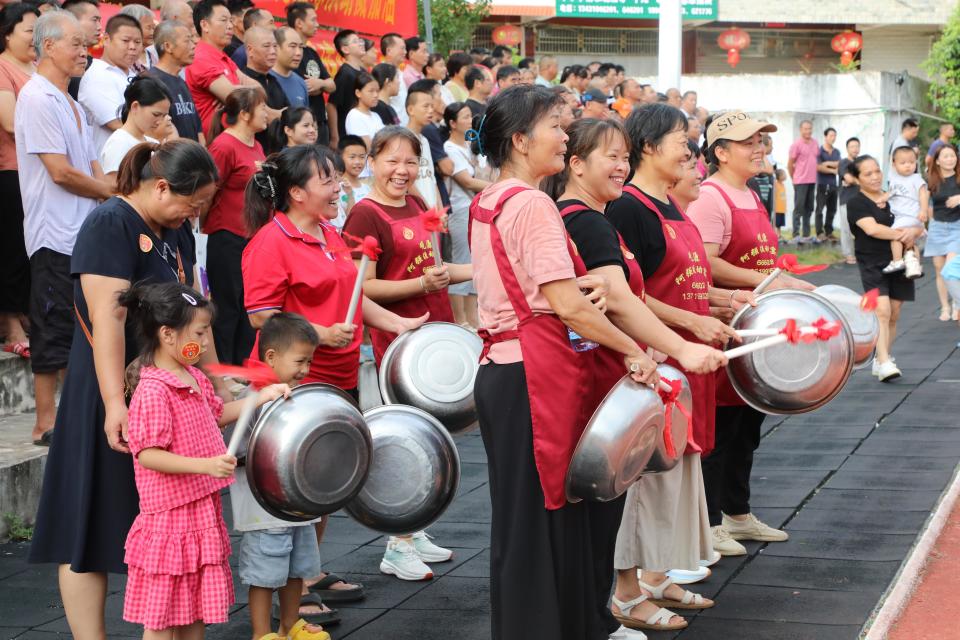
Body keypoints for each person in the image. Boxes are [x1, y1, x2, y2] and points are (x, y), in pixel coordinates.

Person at [469, 85, 657, 640]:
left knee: (525, 521)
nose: (565, 135)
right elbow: (567, 306)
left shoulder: (492, 197)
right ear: (521, 140)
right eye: (557, 125)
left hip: (507, 370)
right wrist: (633, 349)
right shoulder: (530, 203)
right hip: (534, 374)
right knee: (550, 517)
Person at [28, 139, 219, 638]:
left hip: (167, 391)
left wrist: (216, 379)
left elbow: (195, 318)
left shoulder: (175, 231)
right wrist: (116, 403)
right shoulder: (110, 223)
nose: (193, 215)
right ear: (160, 186)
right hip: (110, 391)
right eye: (190, 203)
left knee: (163, 524)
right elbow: (107, 321)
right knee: (87, 525)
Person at [549, 115, 729, 635]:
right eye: (611, 156)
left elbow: (625, 296)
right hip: (612, 371)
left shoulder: (600, 215)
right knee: (622, 488)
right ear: (575, 163)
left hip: (630, 363)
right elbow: (618, 301)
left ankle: (636, 588)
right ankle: (622, 598)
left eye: (623, 156)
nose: (621, 166)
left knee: (641, 484)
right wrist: (664, 346)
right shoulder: (587, 219)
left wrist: (697, 320)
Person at [241, 144, 436, 585]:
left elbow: (354, 297)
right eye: (326, 180)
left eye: (336, 178)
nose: (337, 187)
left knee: (323, 482)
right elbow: (261, 315)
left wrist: (400, 324)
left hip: (337, 377)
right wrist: (318, 333)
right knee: (291, 488)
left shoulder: (330, 233)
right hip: (292, 385)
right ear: (295, 192)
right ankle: (289, 590)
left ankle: (307, 575)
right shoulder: (270, 242)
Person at [118, 281, 288, 638]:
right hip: (171, 516)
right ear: (167, 334)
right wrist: (205, 466)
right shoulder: (153, 390)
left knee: (194, 608)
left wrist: (263, 396)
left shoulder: (193, 375)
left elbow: (218, 414)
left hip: (198, 508)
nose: (208, 341)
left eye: (208, 331)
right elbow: (147, 454)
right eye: (200, 332)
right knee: (163, 617)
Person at [687, 110, 814, 557]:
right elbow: (704, 262)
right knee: (719, 428)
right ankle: (709, 521)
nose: (760, 148)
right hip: (724, 322)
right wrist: (767, 282)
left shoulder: (752, 194)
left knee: (748, 424)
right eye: (749, 142)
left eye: (762, 140)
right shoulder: (709, 197)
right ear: (720, 152)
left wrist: (778, 280)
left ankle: (737, 513)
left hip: (756, 326)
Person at [16, 10, 113, 447]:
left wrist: (113, 190)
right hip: (53, 234)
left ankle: (75, 417)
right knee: (53, 328)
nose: (84, 52)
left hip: (83, 234)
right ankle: (44, 422)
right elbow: (60, 172)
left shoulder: (72, 103)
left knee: (82, 331)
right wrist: (106, 193)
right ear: (49, 46)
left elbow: (91, 169)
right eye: (76, 43)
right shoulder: (36, 97)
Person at [227, 312, 335, 640]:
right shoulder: (253, 397)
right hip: (264, 513)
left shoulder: (297, 395)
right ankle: (262, 634)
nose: (305, 369)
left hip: (298, 507)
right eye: (300, 361)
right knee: (264, 576)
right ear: (271, 357)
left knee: (296, 572)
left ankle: (291, 626)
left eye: (310, 361)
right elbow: (236, 448)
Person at [204, 87, 267, 365]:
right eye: (261, 107)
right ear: (243, 114)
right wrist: (205, 224)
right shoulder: (224, 146)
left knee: (248, 306)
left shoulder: (256, 144)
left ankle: (244, 364)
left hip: (252, 236)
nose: (267, 113)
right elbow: (208, 191)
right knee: (228, 306)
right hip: (227, 235)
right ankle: (225, 368)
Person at [846, 155, 922, 381]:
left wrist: (914, 232)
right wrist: (903, 234)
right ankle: (884, 361)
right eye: (868, 173)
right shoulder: (856, 202)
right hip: (871, 262)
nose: (875, 176)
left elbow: (916, 221)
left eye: (877, 171)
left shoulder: (895, 197)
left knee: (894, 313)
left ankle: (882, 359)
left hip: (901, 259)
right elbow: (872, 229)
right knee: (882, 310)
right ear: (857, 178)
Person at [0, 2, 38, 357]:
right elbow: (10, 122)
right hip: (11, 170)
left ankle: (25, 313)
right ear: (8, 33)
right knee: (13, 248)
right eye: (29, 30)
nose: (36, 38)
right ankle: (11, 321)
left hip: (38, 172)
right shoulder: (2, 67)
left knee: (31, 248)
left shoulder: (39, 68)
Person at [442, 102, 488, 327]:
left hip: (474, 210)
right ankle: (459, 320)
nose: (470, 121)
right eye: (465, 117)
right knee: (461, 262)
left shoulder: (471, 146)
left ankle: (472, 319)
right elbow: (466, 181)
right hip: (460, 211)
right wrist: (497, 186)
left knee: (474, 264)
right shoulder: (450, 148)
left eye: (471, 117)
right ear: (452, 123)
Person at [78, 13, 142, 154]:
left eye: (137, 42)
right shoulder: (97, 74)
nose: (132, 47)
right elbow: (116, 123)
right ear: (106, 39)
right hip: (111, 167)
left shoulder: (133, 75)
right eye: (126, 41)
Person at [187, 0, 245, 137]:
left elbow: (253, 89)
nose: (230, 26)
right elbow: (239, 99)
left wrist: (236, 90)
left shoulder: (225, 57)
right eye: (224, 20)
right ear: (204, 25)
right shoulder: (200, 57)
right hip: (214, 144)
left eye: (231, 21)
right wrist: (235, 91)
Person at [100, 77, 172, 178]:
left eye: (164, 116)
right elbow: (115, 188)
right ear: (135, 107)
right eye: (156, 114)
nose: (160, 121)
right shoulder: (119, 143)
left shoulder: (152, 142)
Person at [147, 20, 205, 144]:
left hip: (191, 157)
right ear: (168, 46)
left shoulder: (181, 81)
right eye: (187, 40)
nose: (194, 44)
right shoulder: (152, 82)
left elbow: (197, 128)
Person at [287, 1, 334, 146]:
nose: (317, 24)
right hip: (301, 128)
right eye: (313, 20)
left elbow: (332, 85)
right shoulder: (286, 54)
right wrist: (320, 86)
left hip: (320, 123)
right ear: (299, 23)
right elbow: (305, 88)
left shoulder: (312, 53)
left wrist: (320, 83)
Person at [924, 143, 960, 320]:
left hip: (957, 226)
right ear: (937, 161)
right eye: (945, 156)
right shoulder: (931, 179)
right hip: (937, 227)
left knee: (950, 268)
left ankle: (957, 303)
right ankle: (945, 307)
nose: (950, 159)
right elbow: (926, 203)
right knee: (939, 269)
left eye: (952, 155)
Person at [881, 146, 928, 278]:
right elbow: (892, 194)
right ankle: (915, 266)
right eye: (903, 163)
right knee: (910, 242)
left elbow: (923, 195)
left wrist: (924, 210)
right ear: (894, 164)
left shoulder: (916, 178)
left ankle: (897, 261)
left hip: (910, 215)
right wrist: (883, 199)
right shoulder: (894, 179)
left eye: (911, 162)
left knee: (895, 236)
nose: (908, 166)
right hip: (900, 217)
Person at [242, 26, 288, 150]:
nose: (273, 51)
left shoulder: (273, 80)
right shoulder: (243, 80)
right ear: (250, 50)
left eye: (275, 46)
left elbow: (289, 113)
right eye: (267, 46)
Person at [403, 80, 442, 209]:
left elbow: (431, 177)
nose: (431, 110)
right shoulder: (403, 139)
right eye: (426, 106)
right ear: (411, 109)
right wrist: (426, 208)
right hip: (416, 210)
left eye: (432, 106)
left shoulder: (424, 140)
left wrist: (440, 209)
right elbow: (408, 182)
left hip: (431, 211)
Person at [328, 29, 365, 146]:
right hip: (347, 134)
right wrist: (335, 137)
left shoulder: (363, 71)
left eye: (360, 40)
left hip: (363, 129)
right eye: (355, 41)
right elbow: (331, 105)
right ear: (345, 49)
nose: (360, 43)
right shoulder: (345, 73)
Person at [62, 0, 100, 100]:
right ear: (73, 20)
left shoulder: (97, 65)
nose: (99, 27)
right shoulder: (57, 63)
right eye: (94, 20)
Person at [788, 119, 819, 243]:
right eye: (805, 129)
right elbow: (790, 164)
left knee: (809, 207)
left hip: (812, 181)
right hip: (800, 181)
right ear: (800, 130)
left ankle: (806, 234)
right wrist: (794, 178)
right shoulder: (796, 145)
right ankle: (795, 234)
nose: (808, 131)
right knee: (799, 208)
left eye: (810, 128)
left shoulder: (815, 143)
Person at [336, 134, 371, 228]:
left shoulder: (367, 188)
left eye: (362, 157)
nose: (358, 162)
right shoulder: (336, 189)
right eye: (352, 157)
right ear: (340, 158)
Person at [345, 71, 383, 149]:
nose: (376, 95)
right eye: (371, 91)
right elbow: (368, 147)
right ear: (358, 93)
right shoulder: (354, 115)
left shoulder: (376, 116)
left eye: (377, 91)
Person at [272, 27, 308, 109]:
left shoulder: (301, 82)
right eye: (293, 46)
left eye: (301, 47)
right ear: (276, 48)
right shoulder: (265, 80)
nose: (298, 53)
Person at [838, 136, 861, 264]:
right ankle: (848, 254)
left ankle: (859, 253)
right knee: (846, 228)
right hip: (846, 200)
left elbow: (853, 180)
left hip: (860, 199)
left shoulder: (860, 163)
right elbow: (849, 179)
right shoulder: (843, 163)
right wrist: (858, 181)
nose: (855, 149)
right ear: (847, 148)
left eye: (857, 146)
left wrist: (854, 181)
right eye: (852, 146)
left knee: (860, 229)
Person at [815, 126, 840, 241]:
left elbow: (839, 164)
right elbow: (819, 167)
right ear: (825, 137)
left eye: (834, 135)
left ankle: (829, 232)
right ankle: (820, 232)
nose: (833, 138)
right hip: (822, 184)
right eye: (831, 135)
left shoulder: (836, 151)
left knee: (832, 209)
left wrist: (827, 164)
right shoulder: (819, 151)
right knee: (820, 209)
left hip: (834, 184)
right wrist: (833, 169)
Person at [379, 32, 408, 124]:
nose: (405, 52)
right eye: (402, 48)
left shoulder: (401, 73)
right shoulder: (381, 74)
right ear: (389, 51)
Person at [119, 4, 156, 71]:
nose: (152, 32)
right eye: (149, 27)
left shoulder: (153, 55)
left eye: (153, 27)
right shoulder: (121, 58)